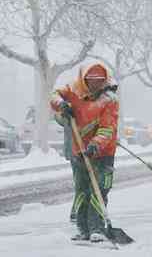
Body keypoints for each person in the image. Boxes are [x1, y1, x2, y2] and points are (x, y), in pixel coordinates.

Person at [50, 63, 119, 243]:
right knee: (82, 190)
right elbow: (54, 95)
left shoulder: (109, 99)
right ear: (83, 79)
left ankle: (97, 228)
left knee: (100, 189)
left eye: (100, 81)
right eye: (91, 80)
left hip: (103, 153)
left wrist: (95, 145)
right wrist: (62, 104)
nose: (96, 85)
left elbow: (107, 128)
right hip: (78, 151)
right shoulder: (73, 91)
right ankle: (83, 229)